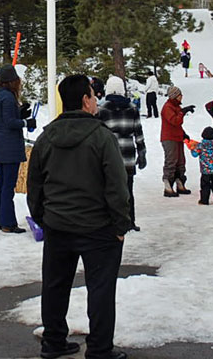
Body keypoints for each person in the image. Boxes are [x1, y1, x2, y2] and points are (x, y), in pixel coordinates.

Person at [26, 74, 130, 359]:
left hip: (58, 225)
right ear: (85, 100)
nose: (96, 100)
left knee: (55, 287)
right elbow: (117, 186)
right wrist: (121, 224)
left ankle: (54, 342)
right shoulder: (101, 137)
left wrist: (42, 218)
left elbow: (33, 185)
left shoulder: (46, 138)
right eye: (93, 95)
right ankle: (99, 349)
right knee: (100, 290)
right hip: (98, 228)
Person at [0, 64, 35, 234]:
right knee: (8, 185)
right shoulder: (7, 97)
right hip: (10, 144)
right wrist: (25, 122)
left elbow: (2, 118)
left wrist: (19, 113)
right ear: (12, 81)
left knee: (1, 183)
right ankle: (8, 222)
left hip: (0, 142)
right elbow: (9, 122)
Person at [98, 76, 147, 232]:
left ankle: (111, 221)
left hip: (109, 155)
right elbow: (138, 133)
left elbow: (97, 134)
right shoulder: (132, 108)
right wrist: (142, 153)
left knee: (110, 190)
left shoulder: (102, 109)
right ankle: (130, 220)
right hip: (128, 154)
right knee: (127, 190)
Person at [160, 85, 195, 197]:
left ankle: (180, 183)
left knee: (181, 161)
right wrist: (182, 112)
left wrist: (183, 134)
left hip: (177, 137)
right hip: (169, 138)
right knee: (171, 161)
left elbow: (177, 125)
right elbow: (175, 121)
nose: (182, 97)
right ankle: (168, 186)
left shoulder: (175, 106)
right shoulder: (168, 107)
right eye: (180, 95)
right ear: (175, 96)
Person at [189, 126, 213, 205]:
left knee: (205, 185)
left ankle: (204, 200)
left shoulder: (200, 145)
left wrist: (192, 148)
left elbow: (194, 154)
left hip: (205, 171)